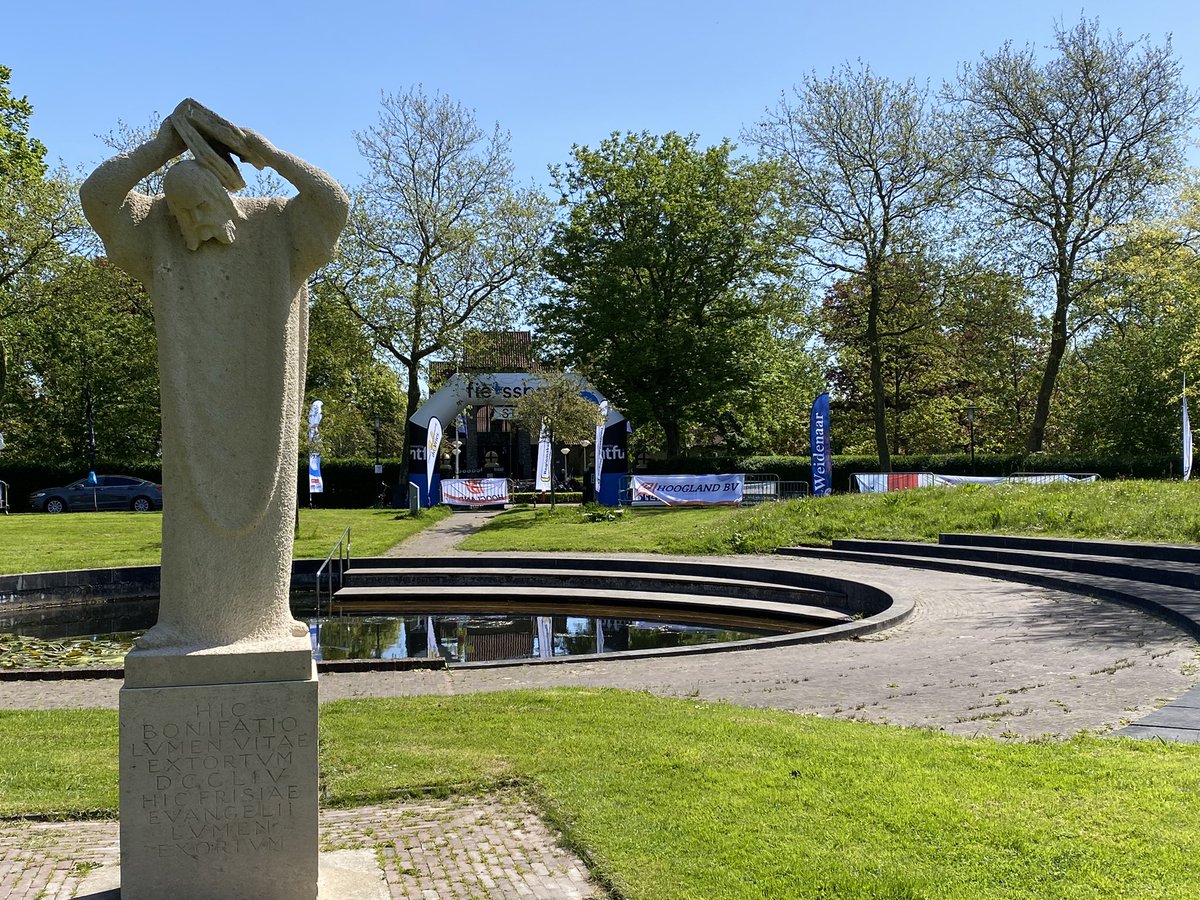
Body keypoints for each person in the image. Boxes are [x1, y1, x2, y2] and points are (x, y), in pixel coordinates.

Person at [81, 101, 349, 651]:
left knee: (263, 533)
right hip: (192, 420)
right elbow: (97, 197)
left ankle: (266, 619)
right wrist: (162, 146)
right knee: (191, 539)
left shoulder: (278, 224)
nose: (192, 226)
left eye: (200, 210)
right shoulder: (161, 231)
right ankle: (188, 623)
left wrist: (268, 153)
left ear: (227, 196)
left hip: (263, 415)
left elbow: (333, 202)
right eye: (180, 216)